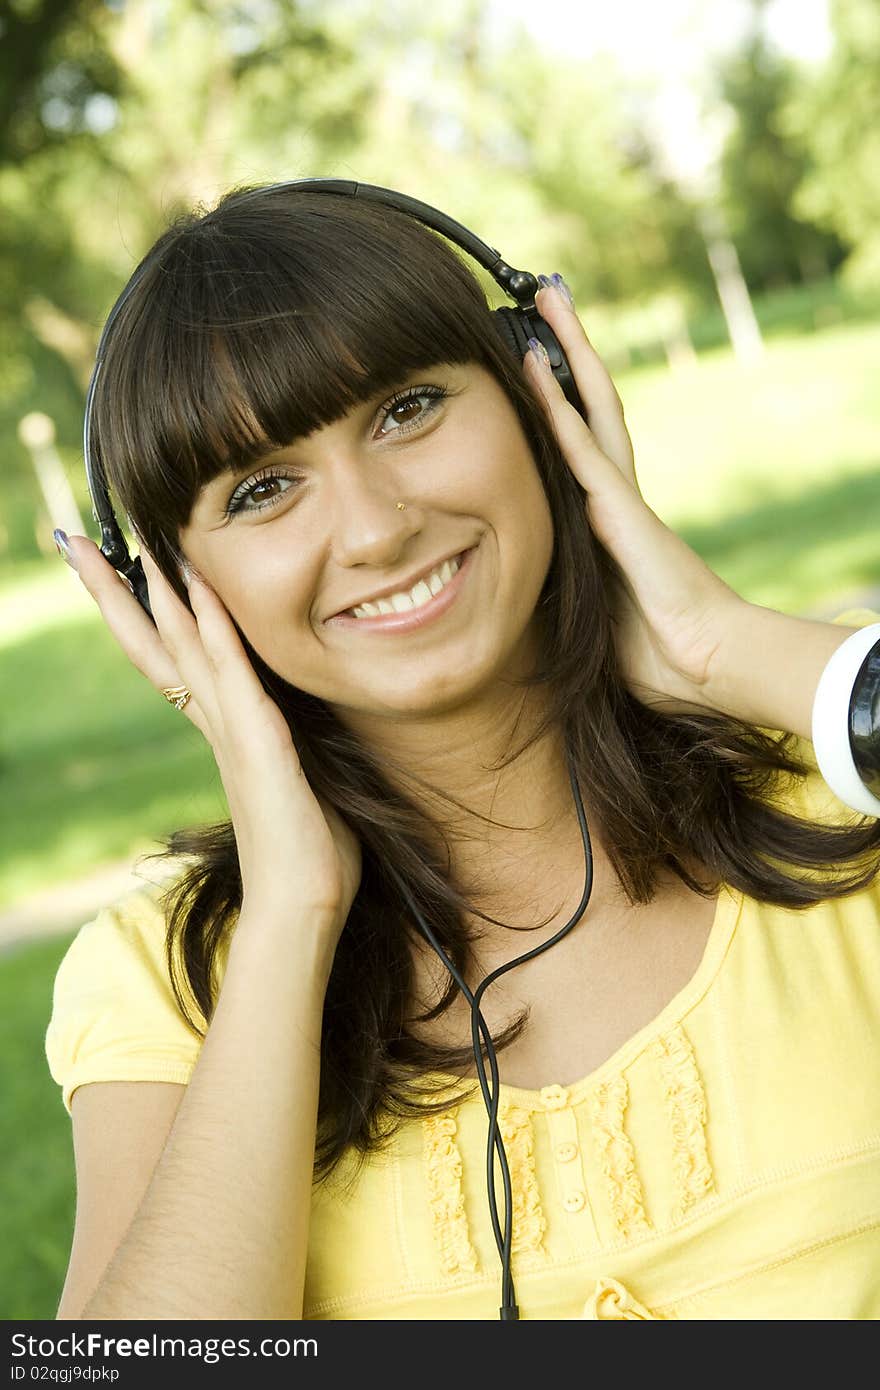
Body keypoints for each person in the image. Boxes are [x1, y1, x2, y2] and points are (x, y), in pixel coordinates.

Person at [46, 183, 880, 1321]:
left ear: (550, 398)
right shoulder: (163, 981)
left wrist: (735, 648)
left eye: (408, 408)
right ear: (168, 600)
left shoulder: (844, 801)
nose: (378, 527)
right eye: (264, 489)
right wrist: (292, 907)